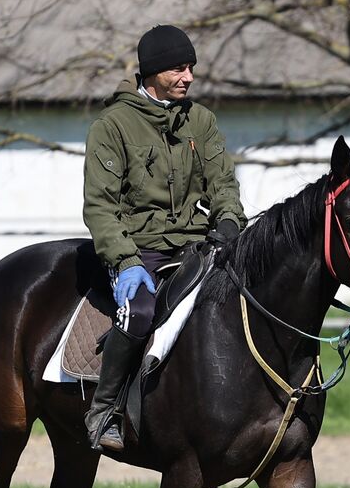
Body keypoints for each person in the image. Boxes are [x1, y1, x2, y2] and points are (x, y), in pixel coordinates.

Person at [81, 24, 246, 452]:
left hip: (197, 245)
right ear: (152, 72)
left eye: (190, 68)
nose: (188, 77)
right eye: (178, 68)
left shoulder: (202, 121)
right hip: (139, 252)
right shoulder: (113, 126)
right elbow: (99, 206)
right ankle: (104, 411)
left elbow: (223, 185)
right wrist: (126, 260)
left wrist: (228, 222)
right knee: (139, 312)